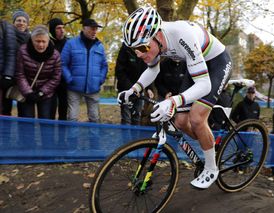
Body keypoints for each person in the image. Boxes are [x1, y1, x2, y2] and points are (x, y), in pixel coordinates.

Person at [118, 7, 232, 189]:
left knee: (196, 118)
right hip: (194, 62)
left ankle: (211, 168)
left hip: (216, 63)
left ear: (158, 36)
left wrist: (173, 101)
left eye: (142, 48)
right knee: (179, 121)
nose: (139, 54)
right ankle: (209, 143)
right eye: (134, 50)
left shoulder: (181, 34)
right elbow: (153, 69)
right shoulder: (156, 43)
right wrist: (134, 89)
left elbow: (204, 85)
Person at [61, 18, 108, 123]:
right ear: (84, 28)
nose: (95, 31)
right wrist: (69, 79)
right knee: (72, 118)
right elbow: (63, 63)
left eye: (96, 29)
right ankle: (72, 139)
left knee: (95, 118)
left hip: (93, 88)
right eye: (92, 29)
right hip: (74, 88)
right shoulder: (71, 43)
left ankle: (93, 140)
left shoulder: (100, 46)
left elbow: (104, 66)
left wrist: (100, 79)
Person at [15, 25, 61, 119]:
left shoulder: (55, 55)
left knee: (45, 121)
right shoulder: (22, 51)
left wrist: (42, 92)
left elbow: (56, 77)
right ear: (32, 40)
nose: (41, 45)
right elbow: (20, 74)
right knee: (26, 122)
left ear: (48, 42)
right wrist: (28, 92)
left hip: (46, 94)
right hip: (26, 92)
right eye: (37, 41)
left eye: (43, 41)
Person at [1, 9, 30, 116]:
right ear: (13, 23)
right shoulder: (5, 36)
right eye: (18, 20)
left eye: (24, 21)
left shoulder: (31, 39)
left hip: (24, 80)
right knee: (5, 110)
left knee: (23, 111)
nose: (21, 23)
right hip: (7, 78)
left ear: (27, 24)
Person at [115, 43, 147, 125]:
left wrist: (148, 87)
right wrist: (132, 89)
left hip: (140, 90)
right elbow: (119, 71)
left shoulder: (144, 48)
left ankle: (136, 136)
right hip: (126, 89)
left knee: (137, 116)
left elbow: (147, 71)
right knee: (126, 118)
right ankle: (126, 137)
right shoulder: (125, 50)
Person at [48, 18, 68, 120]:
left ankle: (62, 135)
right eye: (58, 28)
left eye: (63, 28)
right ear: (52, 30)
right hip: (50, 83)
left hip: (65, 83)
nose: (62, 30)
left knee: (64, 113)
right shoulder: (46, 43)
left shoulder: (69, 43)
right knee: (50, 112)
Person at [0, 19, 17, 114]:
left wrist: (8, 75)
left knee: (3, 110)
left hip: (2, 77)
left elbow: (11, 51)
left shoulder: (5, 26)